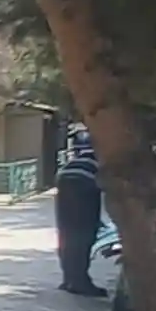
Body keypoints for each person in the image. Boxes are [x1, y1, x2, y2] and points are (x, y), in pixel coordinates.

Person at [54, 126, 104, 295]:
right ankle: (79, 281)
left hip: (64, 182)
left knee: (67, 234)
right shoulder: (107, 156)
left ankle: (69, 279)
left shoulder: (83, 155)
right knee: (84, 234)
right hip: (84, 185)